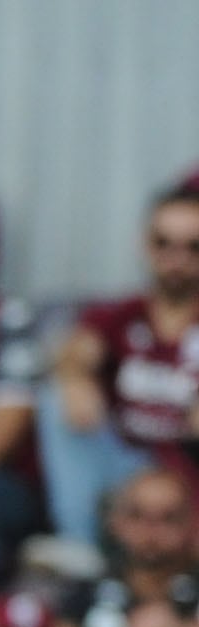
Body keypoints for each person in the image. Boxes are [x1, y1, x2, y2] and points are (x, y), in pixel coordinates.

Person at [45, 189, 199, 552]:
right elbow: (76, 349)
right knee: (55, 401)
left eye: (194, 247)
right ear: (145, 245)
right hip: (124, 467)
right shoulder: (119, 314)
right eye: (164, 243)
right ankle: (81, 552)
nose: (177, 258)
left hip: (186, 468)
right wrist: (73, 375)